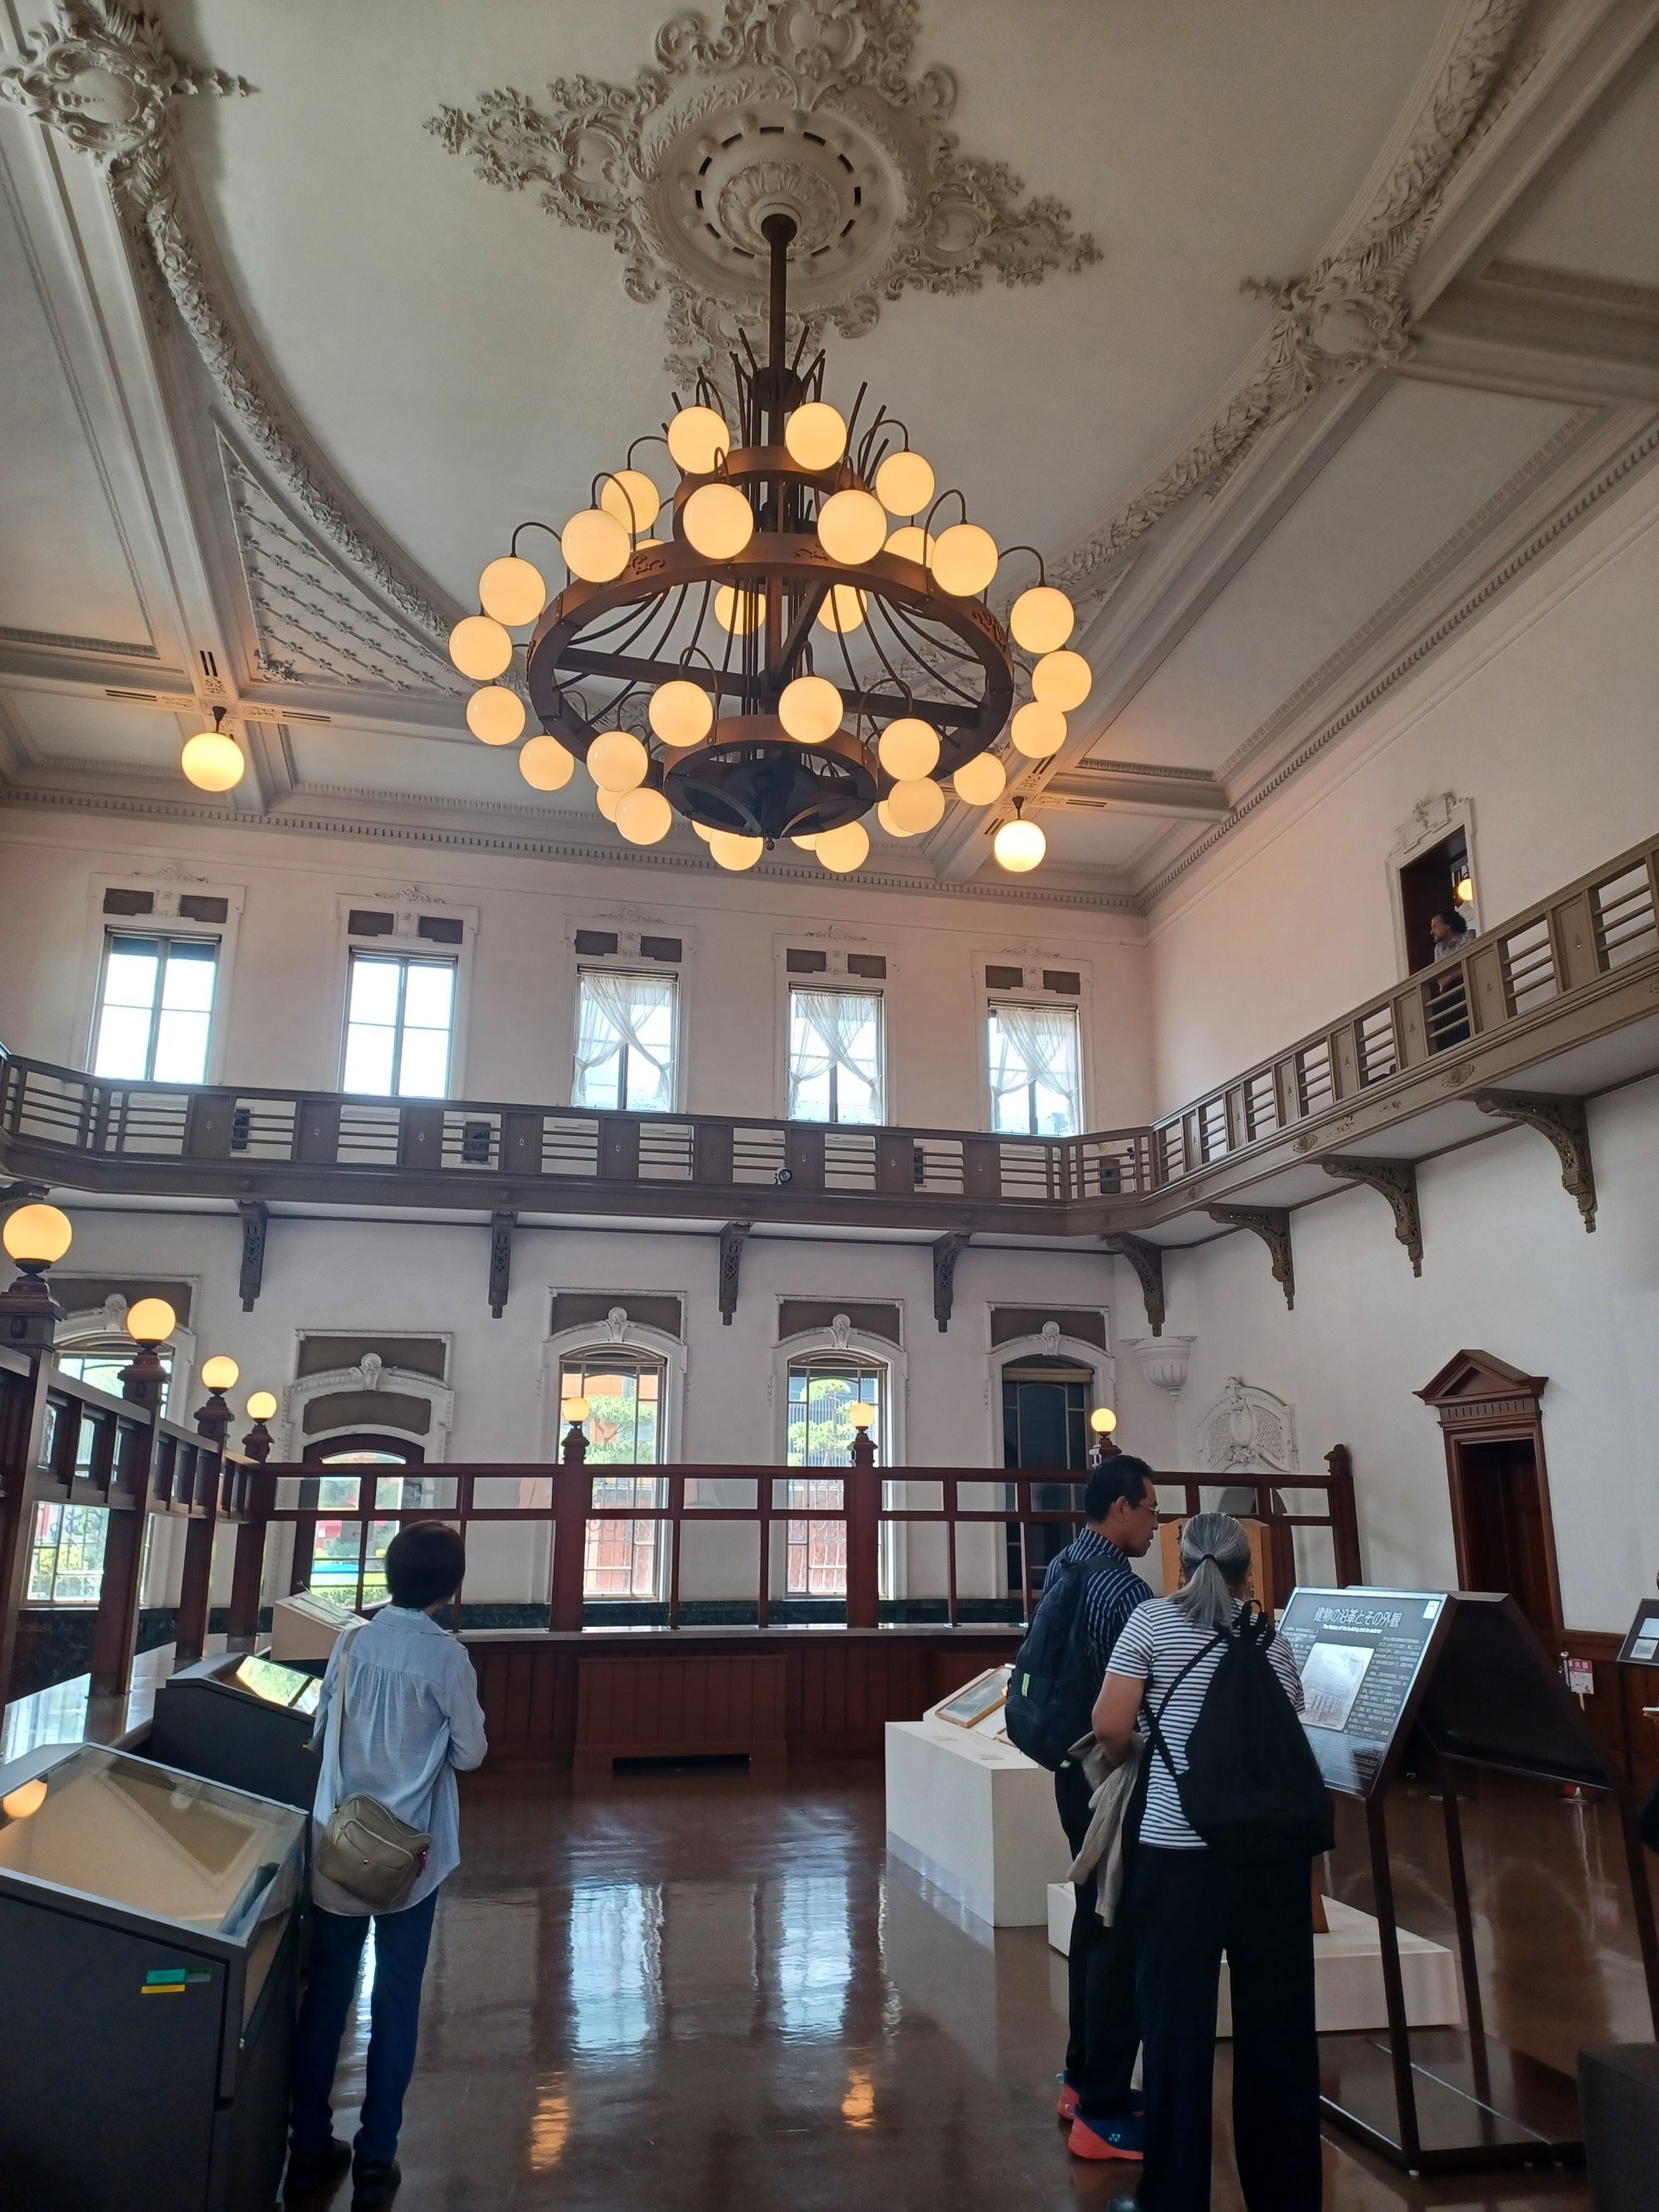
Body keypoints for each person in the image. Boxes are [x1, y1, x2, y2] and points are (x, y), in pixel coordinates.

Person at [1092, 1513, 1319, 2212]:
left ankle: (1174, 2194)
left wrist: (1149, 1751)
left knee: (1175, 2031)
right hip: (1270, 1860)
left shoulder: (1151, 1624)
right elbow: (1290, 1728)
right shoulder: (1270, 1638)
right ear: (1247, 1570)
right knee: (1278, 2035)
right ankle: (1284, 2196)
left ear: (1182, 1564)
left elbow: (1108, 1725)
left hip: (1178, 1854)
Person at [286, 1522, 487, 2210]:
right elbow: (470, 1754)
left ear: (391, 1574)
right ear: (450, 1587)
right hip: (412, 1858)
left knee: (327, 1996)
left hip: (339, 1848)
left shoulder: (352, 1641)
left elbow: (322, 1729)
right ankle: (376, 2158)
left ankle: (307, 2147)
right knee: (396, 2002)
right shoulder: (447, 1658)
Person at [1049, 1455, 1160, 2164]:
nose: (1155, 1524)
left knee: (1093, 1920)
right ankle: (1104, 2110)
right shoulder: (1122, 1589)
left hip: (1069, 1767)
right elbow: (1126, 1709)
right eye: (1149, 1510)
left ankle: (1080, 2079)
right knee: (1120, 1931)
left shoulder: (1068, 1561)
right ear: (1120, 1507)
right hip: (1109, 1775)